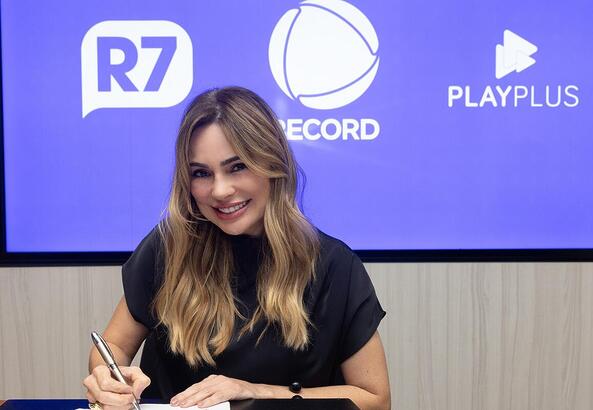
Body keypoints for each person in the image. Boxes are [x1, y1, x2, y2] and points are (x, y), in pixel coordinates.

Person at [83, 86, 390, 409]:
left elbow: (375, 399)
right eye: (201, 173)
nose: (220, 190)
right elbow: (112, 345)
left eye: (237, 166)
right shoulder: (168, 247)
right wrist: (107, 379)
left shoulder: (333, 266)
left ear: (273, 163)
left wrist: (255, 390)